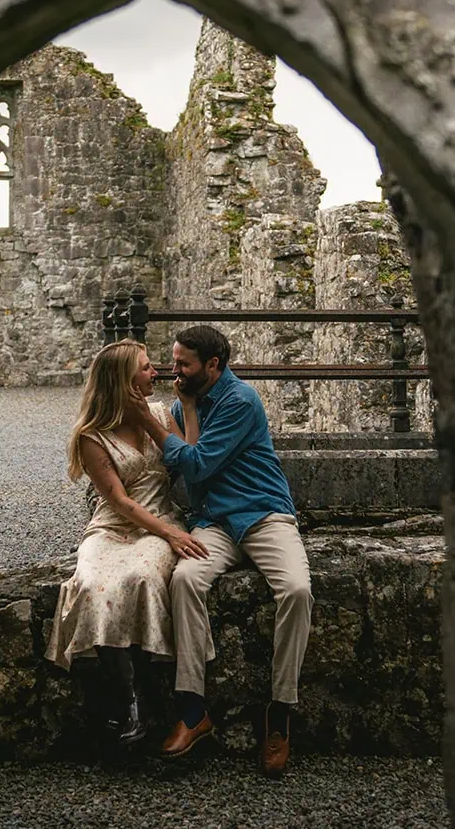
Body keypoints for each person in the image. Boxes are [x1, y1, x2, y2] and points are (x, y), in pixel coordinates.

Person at [121, 325, 313, 778]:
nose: (174, 370)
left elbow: (198, 464)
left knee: (297, 590)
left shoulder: (240, 401)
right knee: (185, 579)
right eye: (172, 360)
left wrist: (153, 423)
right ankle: (192, 708)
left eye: (184, 364)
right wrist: (184, 409)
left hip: (264, 515)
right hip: (216, 523)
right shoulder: (182, 404)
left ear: (213, 365)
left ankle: (281, 712)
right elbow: (195, 478)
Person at [44, 339, 210, 747]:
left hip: (159, 520)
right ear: (124, 379)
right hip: (114, 526)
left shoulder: (158, 414)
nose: (156, 373)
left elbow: (190, 458)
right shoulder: (91, 435)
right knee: (93, 583)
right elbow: (118, 500)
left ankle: (145, 694)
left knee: (140, 577)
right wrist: (172, 534)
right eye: (146, 367)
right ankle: (128, 704)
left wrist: (186, 406)